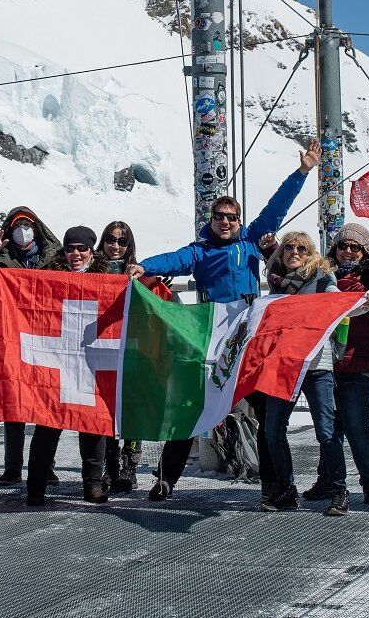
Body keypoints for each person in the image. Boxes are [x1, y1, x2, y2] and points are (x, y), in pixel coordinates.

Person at [126, 142, 321, 501]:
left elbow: (277, 206)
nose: (226, 222)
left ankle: (275, 486)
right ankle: (167, 478)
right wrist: (146, 266)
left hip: (248, 337)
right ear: (211, 220)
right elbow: (175, 259)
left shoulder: (249, 241)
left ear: (240, 221)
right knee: (192, 406)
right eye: (220, 217)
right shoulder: (200, 252)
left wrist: (303, 172)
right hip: (213, 339)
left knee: (266, 413)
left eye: (232, 217)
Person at [263, 231, 369, 517]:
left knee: (326, 431)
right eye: (288, 247)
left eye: (301, 248)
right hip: (284, 365)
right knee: (272, 430)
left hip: (316, 366)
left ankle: (339, 490)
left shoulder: (323, 279)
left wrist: (362, 305)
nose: (294, 252)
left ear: (310, 253)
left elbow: (338, 306)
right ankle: (286, 489)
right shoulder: (276, 284)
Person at [304, 221, 369, 508]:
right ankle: (327, 481)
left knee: (357, 427)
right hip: (324, 363)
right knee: (328, 428)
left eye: (355, 247)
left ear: (365, 252)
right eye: (343, 245)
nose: (348, 251)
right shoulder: (321, 275)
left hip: (357, 364)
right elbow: (291, 276)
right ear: (334, 249)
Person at [0, 206, 63, 487]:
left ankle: (45, 465)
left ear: (38, 228)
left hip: (48, 337)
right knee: (14, 404)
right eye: (17, 226)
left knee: (46, 404)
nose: (23, 231)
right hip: (13, 337)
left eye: (28, 224)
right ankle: (12, 468)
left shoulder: (54, 258)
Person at [25, 227, 111, 506]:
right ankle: (35, 487)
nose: (75, 254)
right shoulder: (48, 278)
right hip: (57, 359)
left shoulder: (106, 280)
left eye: (82, 249)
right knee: (47, 423)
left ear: (91, 251)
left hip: (90, 361)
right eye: (70, 248)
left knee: (93, 423)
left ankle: (93, 485)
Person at [97, 221, 142, 493]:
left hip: (131, 349)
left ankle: (129, 466)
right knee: (104, 409)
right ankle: (109, 465)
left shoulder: (138, 274)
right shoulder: (91, 272)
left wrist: (154, 287)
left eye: (121, 241)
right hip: (101, 350)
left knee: (132, 409)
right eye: (110, 240)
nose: (115, 246)